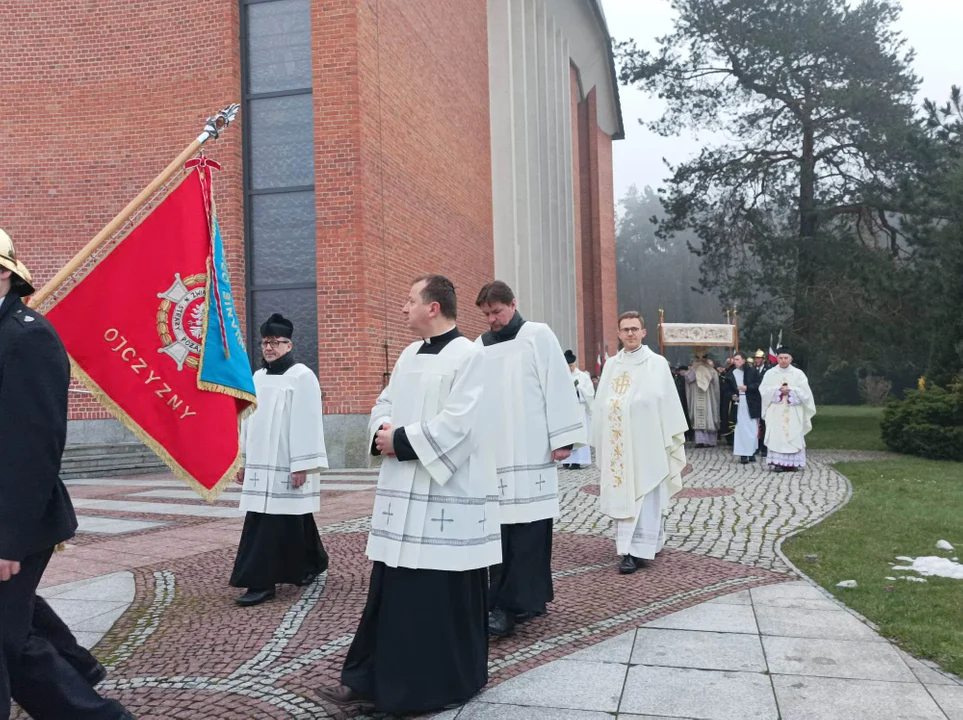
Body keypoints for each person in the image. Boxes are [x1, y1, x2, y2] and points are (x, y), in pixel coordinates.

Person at [318, 275, 499, 715]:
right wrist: (381, 431)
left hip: (446, 498)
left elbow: (462, 423)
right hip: (404, 497)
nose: (403, 308)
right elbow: (384, 401)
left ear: (433, 307)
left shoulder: (470, 356)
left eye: (409, 300)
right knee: (392, 593)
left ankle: (424, 687)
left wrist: (400, 441)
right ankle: (369, 679)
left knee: (432, 599)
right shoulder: (408, 354)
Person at [0, 229, 132, 719]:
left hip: (16, 520)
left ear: (5, 274)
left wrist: (7, 540)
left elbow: (32, 450)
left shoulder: (28, 336)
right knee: (16, 638)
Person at [475, 281, 585, 637]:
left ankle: (519, 603)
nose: (492, 319)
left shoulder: (537, 335)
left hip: (532, 448)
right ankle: (514, 600)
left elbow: (557, 384)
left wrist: (564, 438)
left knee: (531, 530)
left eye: (497, 311)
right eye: (487, 314)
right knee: (502, 532)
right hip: (496, 453)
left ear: (513, 304)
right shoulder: (479, 347)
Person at [230, 313, 329, 606]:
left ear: (289, 344)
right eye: (265, 342)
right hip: (261, 465)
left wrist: (302, 465)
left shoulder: (302, 376)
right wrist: (243, 461)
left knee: (273, 523)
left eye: (276, 342)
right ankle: (313, 561)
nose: (269, 348)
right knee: (290, 518)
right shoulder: (257, 378)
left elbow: (308, 422)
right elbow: (245, 421)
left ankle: (261, 583)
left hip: (288, 463)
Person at [591, 312, 688, 574]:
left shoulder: (656, 363)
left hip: (647, 444)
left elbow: (663, 401)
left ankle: (644, 547)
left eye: (635, 329)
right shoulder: (611, 365)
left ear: (643, 332)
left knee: (646, 492)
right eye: (625, 329)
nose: (630, 334)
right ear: (619, 333)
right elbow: (601, 403)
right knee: (625, 495)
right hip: (618, 445)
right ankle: (627, 551)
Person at [760, 347, 817, 472]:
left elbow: (806, 393)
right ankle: (778, 463)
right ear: (777, 358)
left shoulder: (798, 374)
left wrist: (791, 391)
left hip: (793, 410)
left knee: (793, 434)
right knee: (777, 436)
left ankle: (792, 463)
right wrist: (777, 390)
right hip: (776, 410)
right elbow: (763, 390)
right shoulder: (770, 373)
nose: (783, 361)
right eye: (780, 358)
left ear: (791, 359)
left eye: (786, 358)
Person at [725, 352, 762, 464]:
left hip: (750, 403)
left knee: (752, 428)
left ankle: (751, 452)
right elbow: (728, 388)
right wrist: (732, 395)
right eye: (734, 359)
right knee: (741, 428)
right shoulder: (731, 373)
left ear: (744, 360)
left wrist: (747, 387)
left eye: (737, 359)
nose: (735, 361)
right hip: (739, 403)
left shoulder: (752, 371)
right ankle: (743, 454)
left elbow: (759, 384)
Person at [563, 349, 594, 469]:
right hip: (567, 410)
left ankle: (578, 460)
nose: (569, 368)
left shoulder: (582, 376)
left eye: (570, 365)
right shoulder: (561, 376)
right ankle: (566, 460)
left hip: (579, 409)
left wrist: (579, 389)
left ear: (574, 364)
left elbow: (590, 393)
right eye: (567, 366)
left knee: (579, 435)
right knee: (567, 434)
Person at [685, 347, 721, 447]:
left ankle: (701, 441)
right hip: (707, 399)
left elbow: (687, 379)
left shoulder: (695, 369)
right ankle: (708, 441)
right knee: (707, 417)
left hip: (703, 398)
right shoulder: (711, 369)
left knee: (701, 418)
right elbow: (716, 384)